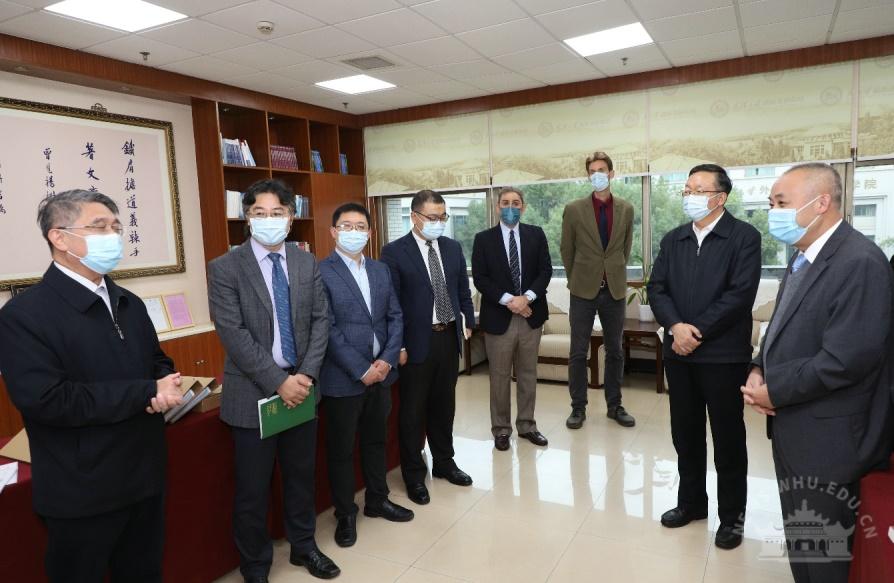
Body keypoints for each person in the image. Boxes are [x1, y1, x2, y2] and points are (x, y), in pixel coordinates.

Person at [0, 189, 182, 583]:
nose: (113, 236)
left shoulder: (127, 301)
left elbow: (156, 360)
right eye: (99, 227)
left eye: (116, 227)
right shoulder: (24, 315)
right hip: (82, 489)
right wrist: (146, 392)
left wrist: (165, 381)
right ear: (59, 237)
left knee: (144, 573)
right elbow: (48, 399)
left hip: (144, 474)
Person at [743, 163, 893, 583]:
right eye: (771, 203)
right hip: (796, 428)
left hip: (831, 439)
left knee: (825, 558)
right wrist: (759, 366)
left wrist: (776, 389)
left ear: (821, 202)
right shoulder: (803, 256)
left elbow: (847, 359)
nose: (773, 212)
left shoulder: (860, 262)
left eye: (781, 203)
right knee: (804, 545)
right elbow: (784, 324)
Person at [207, 179, 339, 582]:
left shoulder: (305, 262)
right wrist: (278, 382)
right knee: (253, 489)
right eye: (259, 213)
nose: (268, 220)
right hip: (253, 396)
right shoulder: (225, 267)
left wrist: (305, 375)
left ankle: (304, 547)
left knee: (301, 477)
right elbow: (233, 334)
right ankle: (256, 565)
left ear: (291, 217)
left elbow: (320, 321)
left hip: (302, 389)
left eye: (277, 213)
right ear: (246, 218)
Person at [648, 164, 761, 550]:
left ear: (720, 197)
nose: (689, 196)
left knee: (728, 438)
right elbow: (657, 288)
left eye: (698, 190)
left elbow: (740, 295)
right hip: (679, 355)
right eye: (686, 189)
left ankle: (732, 518)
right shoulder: (674, 238)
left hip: (723, 356)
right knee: (686, 433)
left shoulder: (744, 237)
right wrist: (675, 327)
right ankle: (692, 503)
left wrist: (694, 331)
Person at [318, 202, 413, 548]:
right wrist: (361, 369)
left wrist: (386, 362)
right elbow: (327, 328)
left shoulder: (380, 270)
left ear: (370, 233)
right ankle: (345, 513)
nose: (353, 232)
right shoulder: (321, 272)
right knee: (342, 450)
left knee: (376, 441)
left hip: (382, 374)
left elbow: (395, 317)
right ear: (333, 232)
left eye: (360, 227)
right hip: (343, 378)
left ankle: (377, 499)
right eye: (346, 226)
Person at [380, 189, 476, 506]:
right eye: (432, 217)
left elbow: (462, 290)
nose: (438, 222)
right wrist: (398, 345)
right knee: (412, 412)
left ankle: (445, 463)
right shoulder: (394, 252)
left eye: (442, 216)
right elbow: (391, 304)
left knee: (444, 406)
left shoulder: (452, 247)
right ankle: (413, 475)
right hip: (414, 344)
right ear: (414, 217)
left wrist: (468, 322)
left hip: (448, 337)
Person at [471, 187, 552, 451]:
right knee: (499, 376)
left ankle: (527, 425)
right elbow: (481, 278)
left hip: (531, 317)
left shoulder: (536, 234)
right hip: (498, 318)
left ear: (523, 207)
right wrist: (511, 300)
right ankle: (501, 429)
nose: (510, 207)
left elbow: (545, 271)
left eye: (516, 203)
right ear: (497, 207)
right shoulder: (483, 239)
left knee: (528, 374)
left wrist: (526, 298)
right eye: (505, 202)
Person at [560, 151, 636, 429]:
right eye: (592, 171)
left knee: (615, 351)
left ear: (611, 173)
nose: (597, 175)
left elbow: (625, 249)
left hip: (614, 290)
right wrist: (577, 277)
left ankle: (615, 406)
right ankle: (577, 408)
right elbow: (566, 249)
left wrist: (611, 271)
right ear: (588, 176)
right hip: (582, 289)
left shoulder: (626, 209)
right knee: (578, 352)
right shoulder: (574, 209)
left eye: (602, 170)